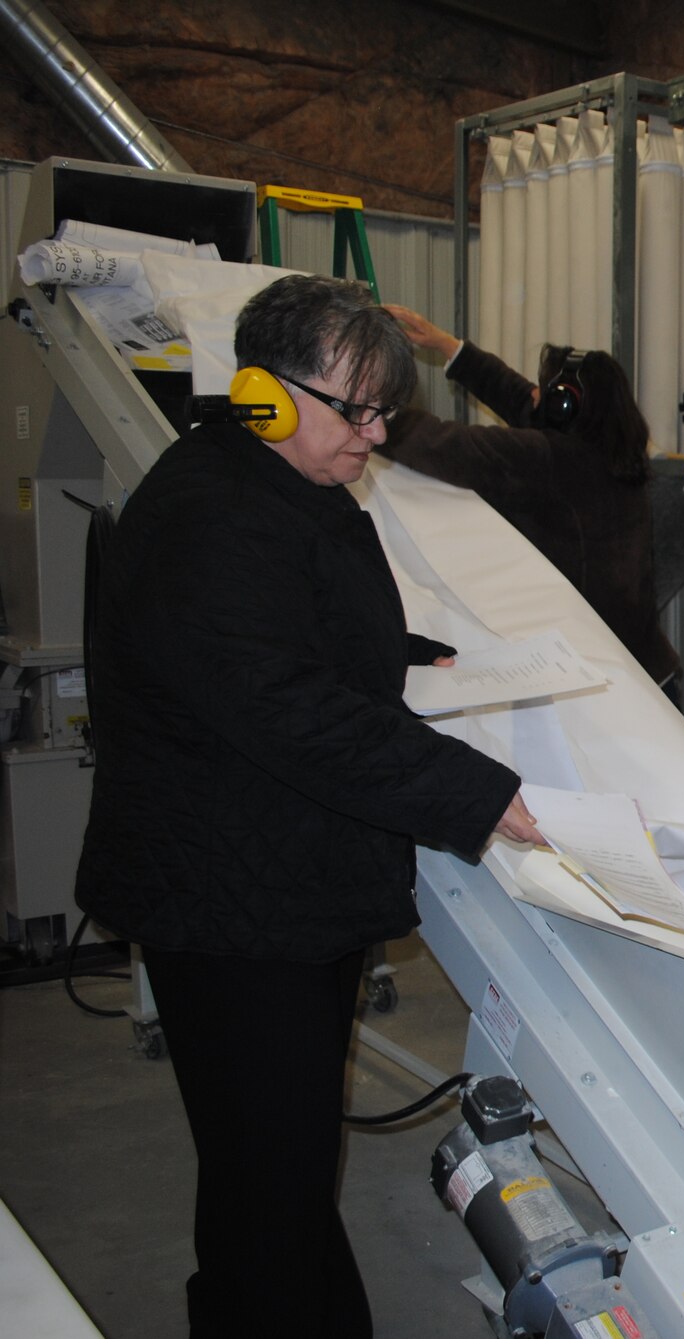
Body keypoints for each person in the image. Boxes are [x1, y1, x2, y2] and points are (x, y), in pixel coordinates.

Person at [74, 274, 542, 1339]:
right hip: (226, 903)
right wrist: (478, 793)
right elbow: (284, 706)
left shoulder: (288, 481)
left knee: (281, 1164)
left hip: (284, 884)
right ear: (263, 393)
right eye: (357, 410)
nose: (373, 436)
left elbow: (292, 629)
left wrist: (399, 651)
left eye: (387, 411)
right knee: (265, 1178)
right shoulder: (207, 513)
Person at [376, 305, 681, 701]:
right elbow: (524, 401)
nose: (533, 393)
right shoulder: (614, 448)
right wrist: (450, 348)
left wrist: (363, 406)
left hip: (614, 689)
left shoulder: (551, 460)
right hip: (651, 671)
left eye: (545, 389)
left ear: (564, 406)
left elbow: (441, 444)